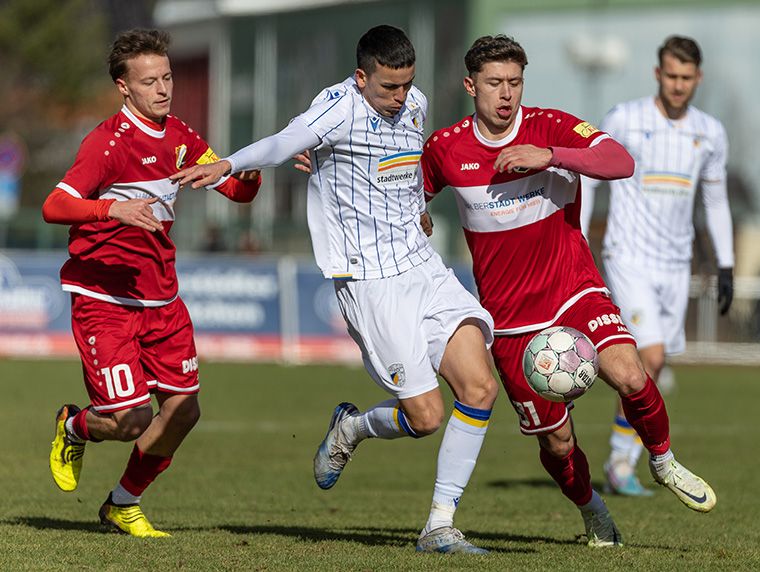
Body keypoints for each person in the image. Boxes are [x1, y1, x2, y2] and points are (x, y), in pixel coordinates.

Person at [171, 25, 499, 554]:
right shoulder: (337, 107)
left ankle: (439, 526)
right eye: (388, 87)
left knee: (481, 387)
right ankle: (352, 428)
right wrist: (229, 163)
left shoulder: (412, 102)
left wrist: (416, 206)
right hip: (369, 281)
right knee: (427, 417)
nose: (400, 97)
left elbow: (404, 163)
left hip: (422, 266)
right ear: (361, 76)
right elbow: (284, 142)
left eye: (406, 84)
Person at [420, 35, 717, 548]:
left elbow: (620, 161)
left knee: (630, 371)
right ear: (471, 86)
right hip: (511, 321)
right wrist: (414, 212)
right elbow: (407, 191)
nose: (506, 93)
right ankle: (594, 512)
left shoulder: (551, 126)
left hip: (572, 289)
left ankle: (664, 463)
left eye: (515, 81)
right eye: (494, 83)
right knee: (558, 444)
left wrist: (551, 155)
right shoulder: (447, 147)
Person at [44, 28, 261, 537]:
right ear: (124, 87)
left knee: (184, 410)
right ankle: (74, 425)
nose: (163, 89)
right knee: (130, 420)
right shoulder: (106, 143)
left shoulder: (182, 137)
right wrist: (111, 208)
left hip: (162, 297)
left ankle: (123, 503)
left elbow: (234, 188)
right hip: (105, 299)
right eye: (149, 81)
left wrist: (249, 174)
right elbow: (54, 205)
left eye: (167, 77)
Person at [580, 36, 734, 497]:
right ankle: (621, 463)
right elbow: (589, 174)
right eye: (671, 76)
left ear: (698, 78)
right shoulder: (625, 118)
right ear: (657, 74)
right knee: (648, 358)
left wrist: (726, 263)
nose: (678, 85)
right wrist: (580, 236)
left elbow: (715, 199)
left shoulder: (710, 132)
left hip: (675, 262)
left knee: (656, 360)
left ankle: (618, 460)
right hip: (627, 256)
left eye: (687, 78)